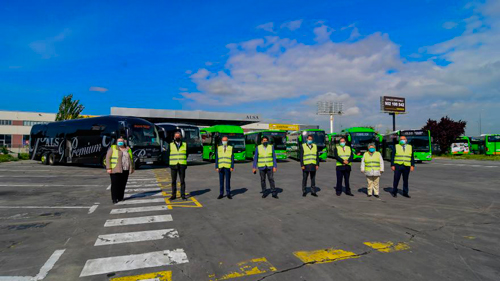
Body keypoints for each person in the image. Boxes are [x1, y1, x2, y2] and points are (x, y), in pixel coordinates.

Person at [106, 137, 134, 204]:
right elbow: (107, 158)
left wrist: (132, 168)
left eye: (121, 141)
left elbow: (131, 159)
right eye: (118, 141)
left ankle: (120, 197)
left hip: (125, 169)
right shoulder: (113, 148)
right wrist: (108, 168)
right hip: (115, 169)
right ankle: (114, 198)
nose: (120, 142)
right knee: (115, 184)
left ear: (124, 142)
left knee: (123, 184)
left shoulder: (128, 149)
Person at [168, 132, 188, 200]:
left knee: (182, 181)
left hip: (182, 165)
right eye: (176, 136)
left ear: (181, 137)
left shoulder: (185, 144)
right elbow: (168, 154)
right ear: (174, 137)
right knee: (173, 181)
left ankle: (183, 195)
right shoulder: (170, 145)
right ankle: (173, 195)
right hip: (173, 165)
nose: (177, 138)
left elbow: (187, 154)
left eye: (178, 136)